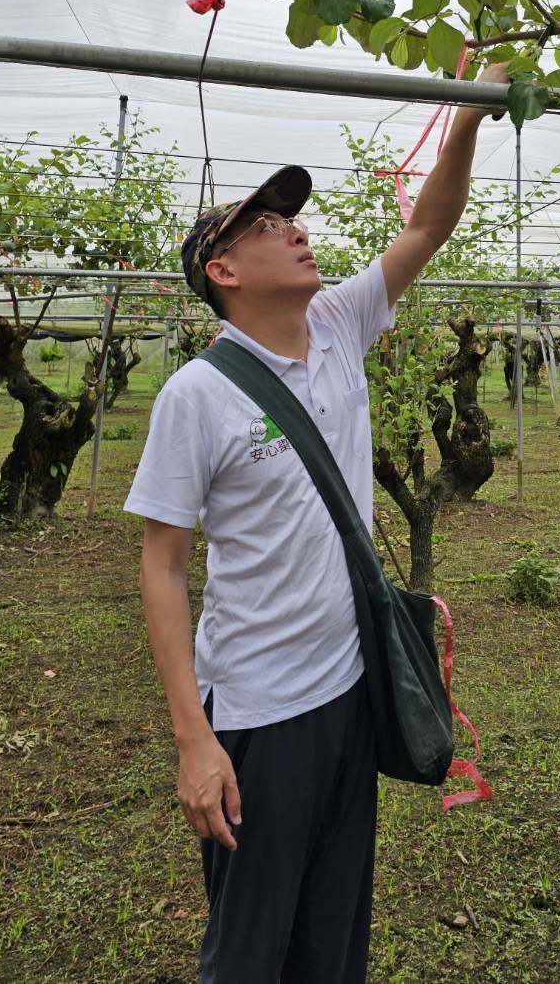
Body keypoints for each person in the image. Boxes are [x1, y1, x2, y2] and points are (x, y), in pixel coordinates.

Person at [124, 63, 508, 984]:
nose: (295, 230)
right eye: (266, 226)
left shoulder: (339, 322)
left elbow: (429, 223)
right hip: (258, 714)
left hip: (347, 693)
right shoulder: (198, 394)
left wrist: (466, 117)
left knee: (334, 939)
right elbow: (163, 564)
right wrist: (192, 738)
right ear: (223, 272)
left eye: (291, 217)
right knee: (250, 949)